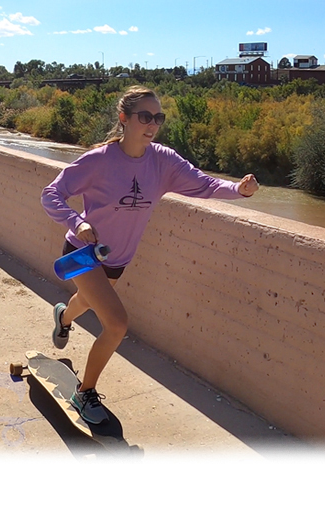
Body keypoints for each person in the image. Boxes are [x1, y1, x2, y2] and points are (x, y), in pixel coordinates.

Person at [40, 86, 259, 424]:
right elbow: (51, 193)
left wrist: (238, 189)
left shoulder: (163, 161)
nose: (152, 124)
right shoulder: (99, 160)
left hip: (117, 258)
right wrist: (77, 221)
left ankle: (63, 318)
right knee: (116, 323)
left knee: (86, 300)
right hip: (83, 253)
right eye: (145, 116)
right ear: (124, 118)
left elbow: (203, 184)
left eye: (158, 117)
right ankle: (84, 392)